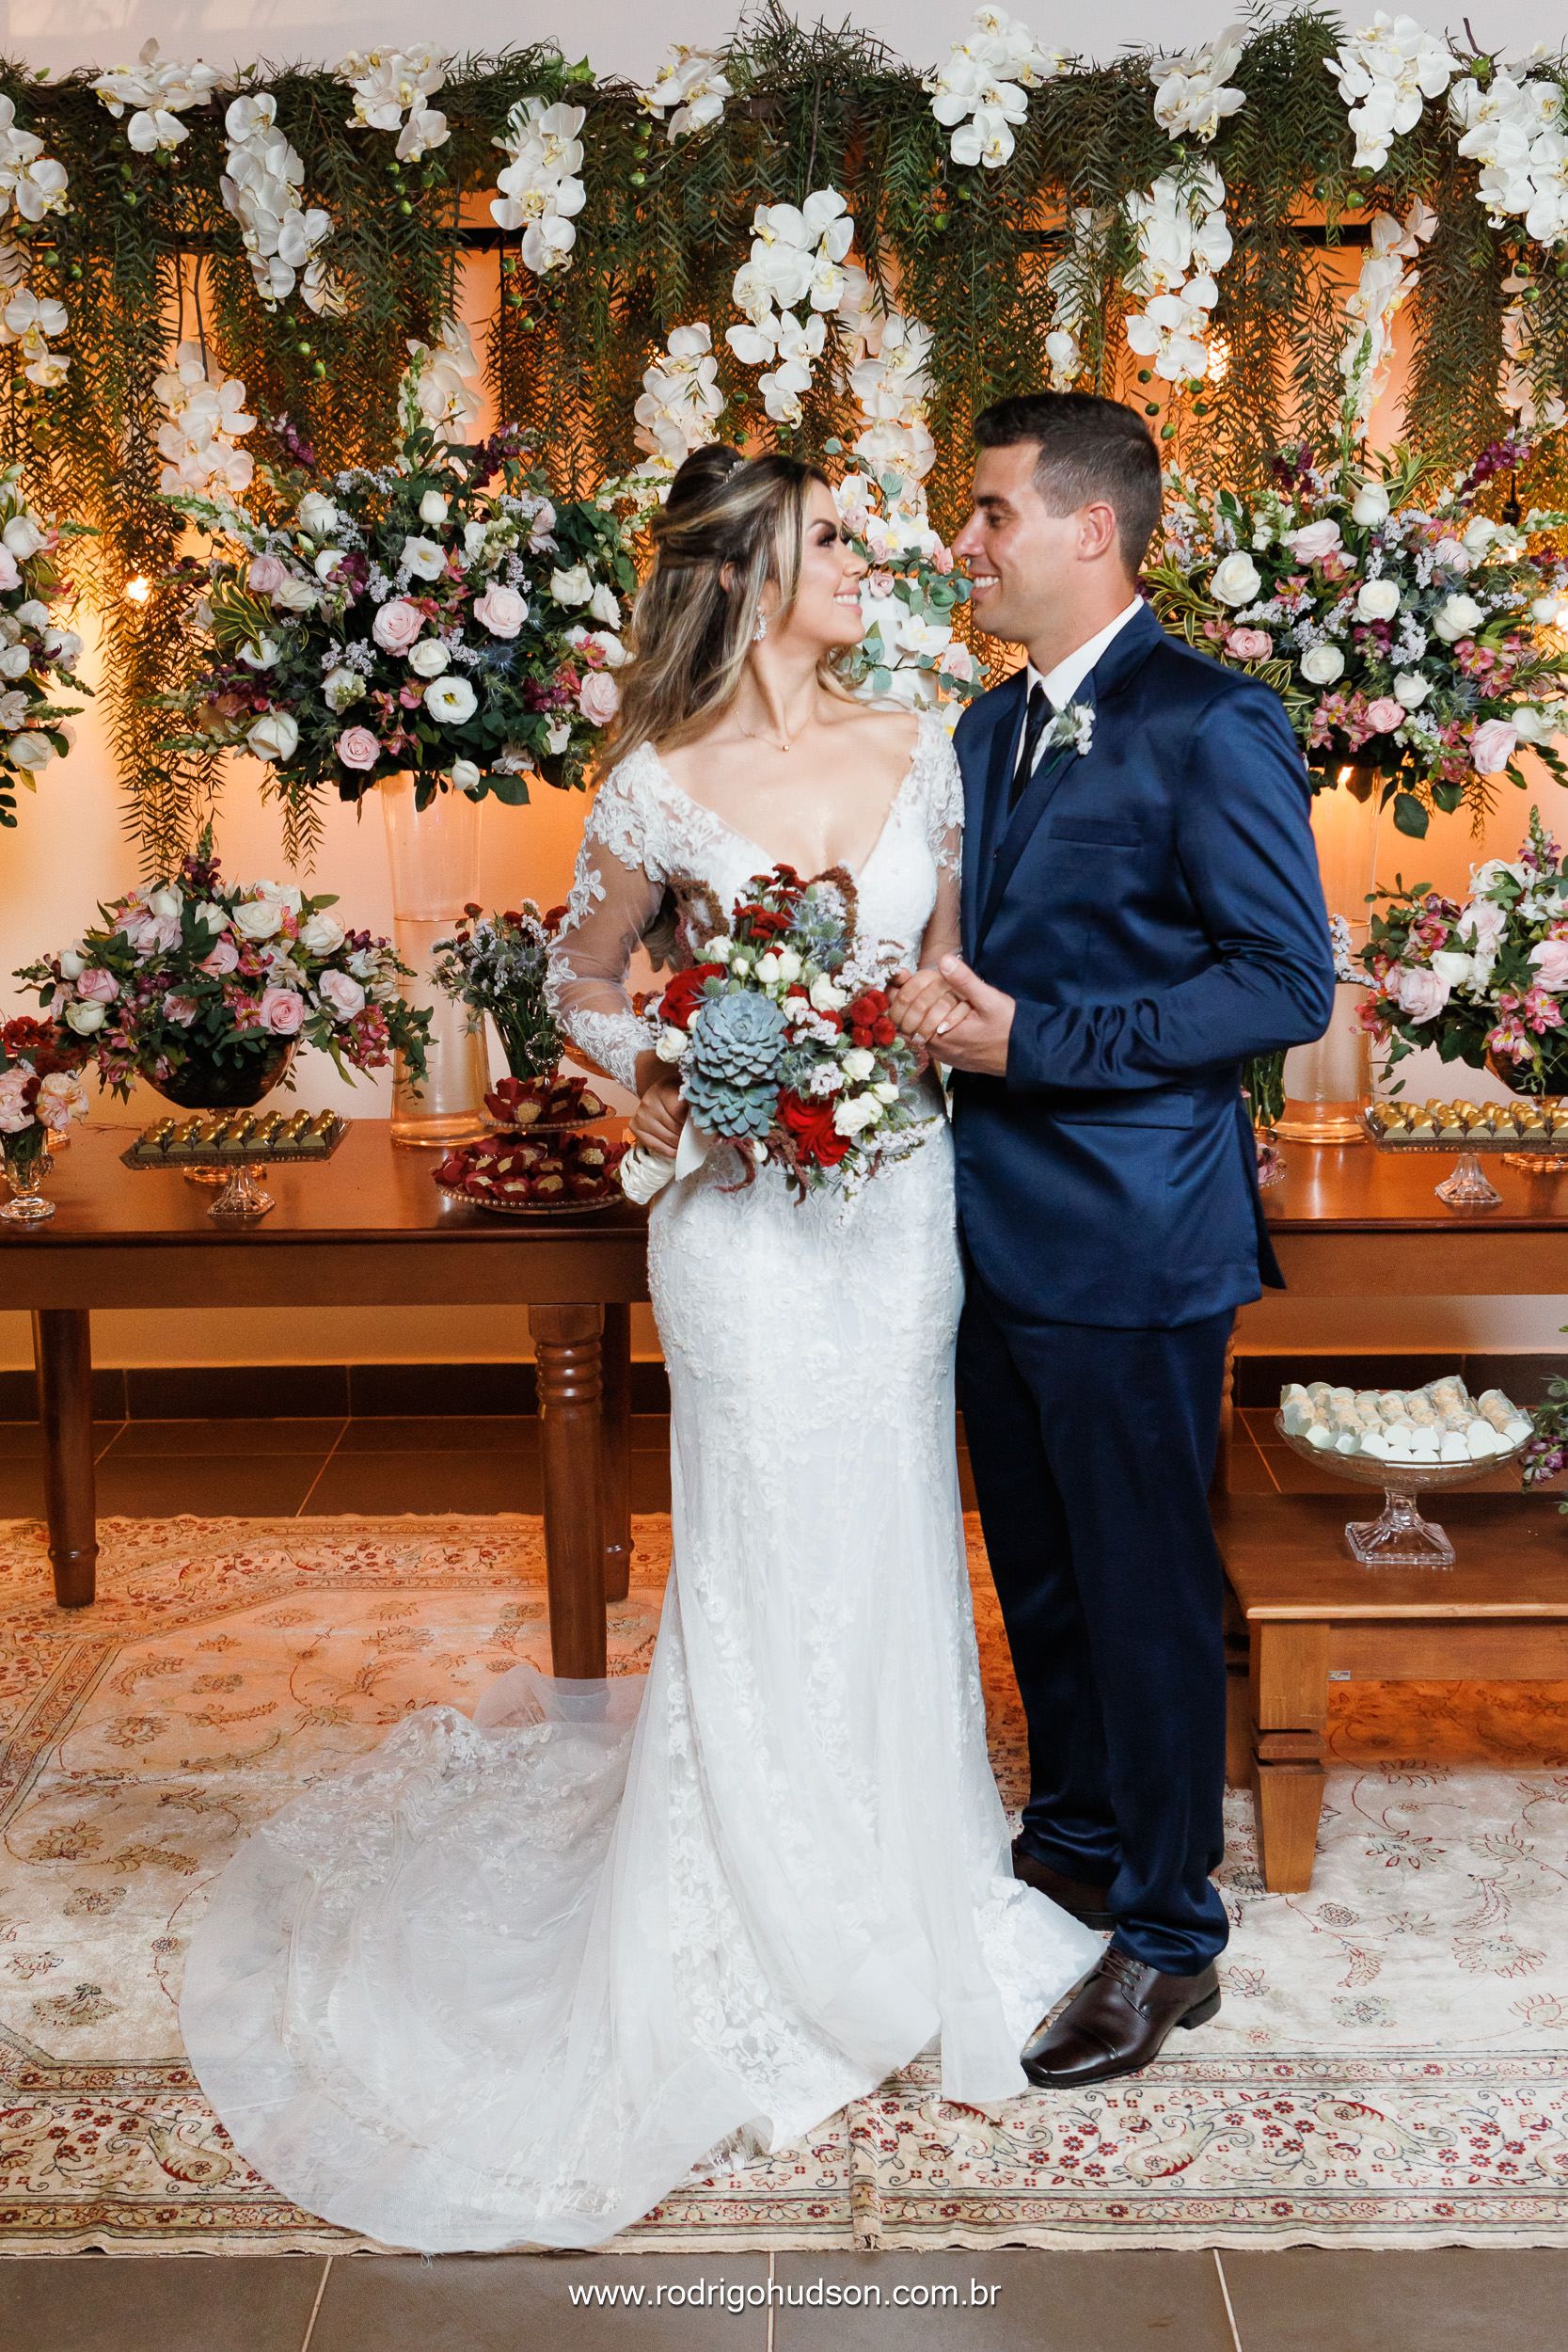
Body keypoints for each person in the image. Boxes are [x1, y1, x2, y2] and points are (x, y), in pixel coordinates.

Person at [178, 445, 1100, 2254]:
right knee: (761, 1542)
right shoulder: (654, 788)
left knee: (893, 1524)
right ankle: (744, 1906)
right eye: (835, 539)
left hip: (899, 1215)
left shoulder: (930, 746)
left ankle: (905, 1875)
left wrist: (895, 1031)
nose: (871, 562)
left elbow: (945, 970)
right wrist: (689, 1072)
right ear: (752, 573)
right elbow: (577, 983)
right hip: (745, 1233)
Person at [889, 392, 1337, 2087]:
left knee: (1145, 1588)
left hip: (1136, 1237)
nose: (968, 543)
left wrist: (1036, 1045)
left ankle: (1167, 1933)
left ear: (1092, 527)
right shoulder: (990, 725)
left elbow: (1282, 983)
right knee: (1047, 1572)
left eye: (992, 511)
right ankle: (1072, 1845)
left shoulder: (1211, 718)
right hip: (986, 1230)